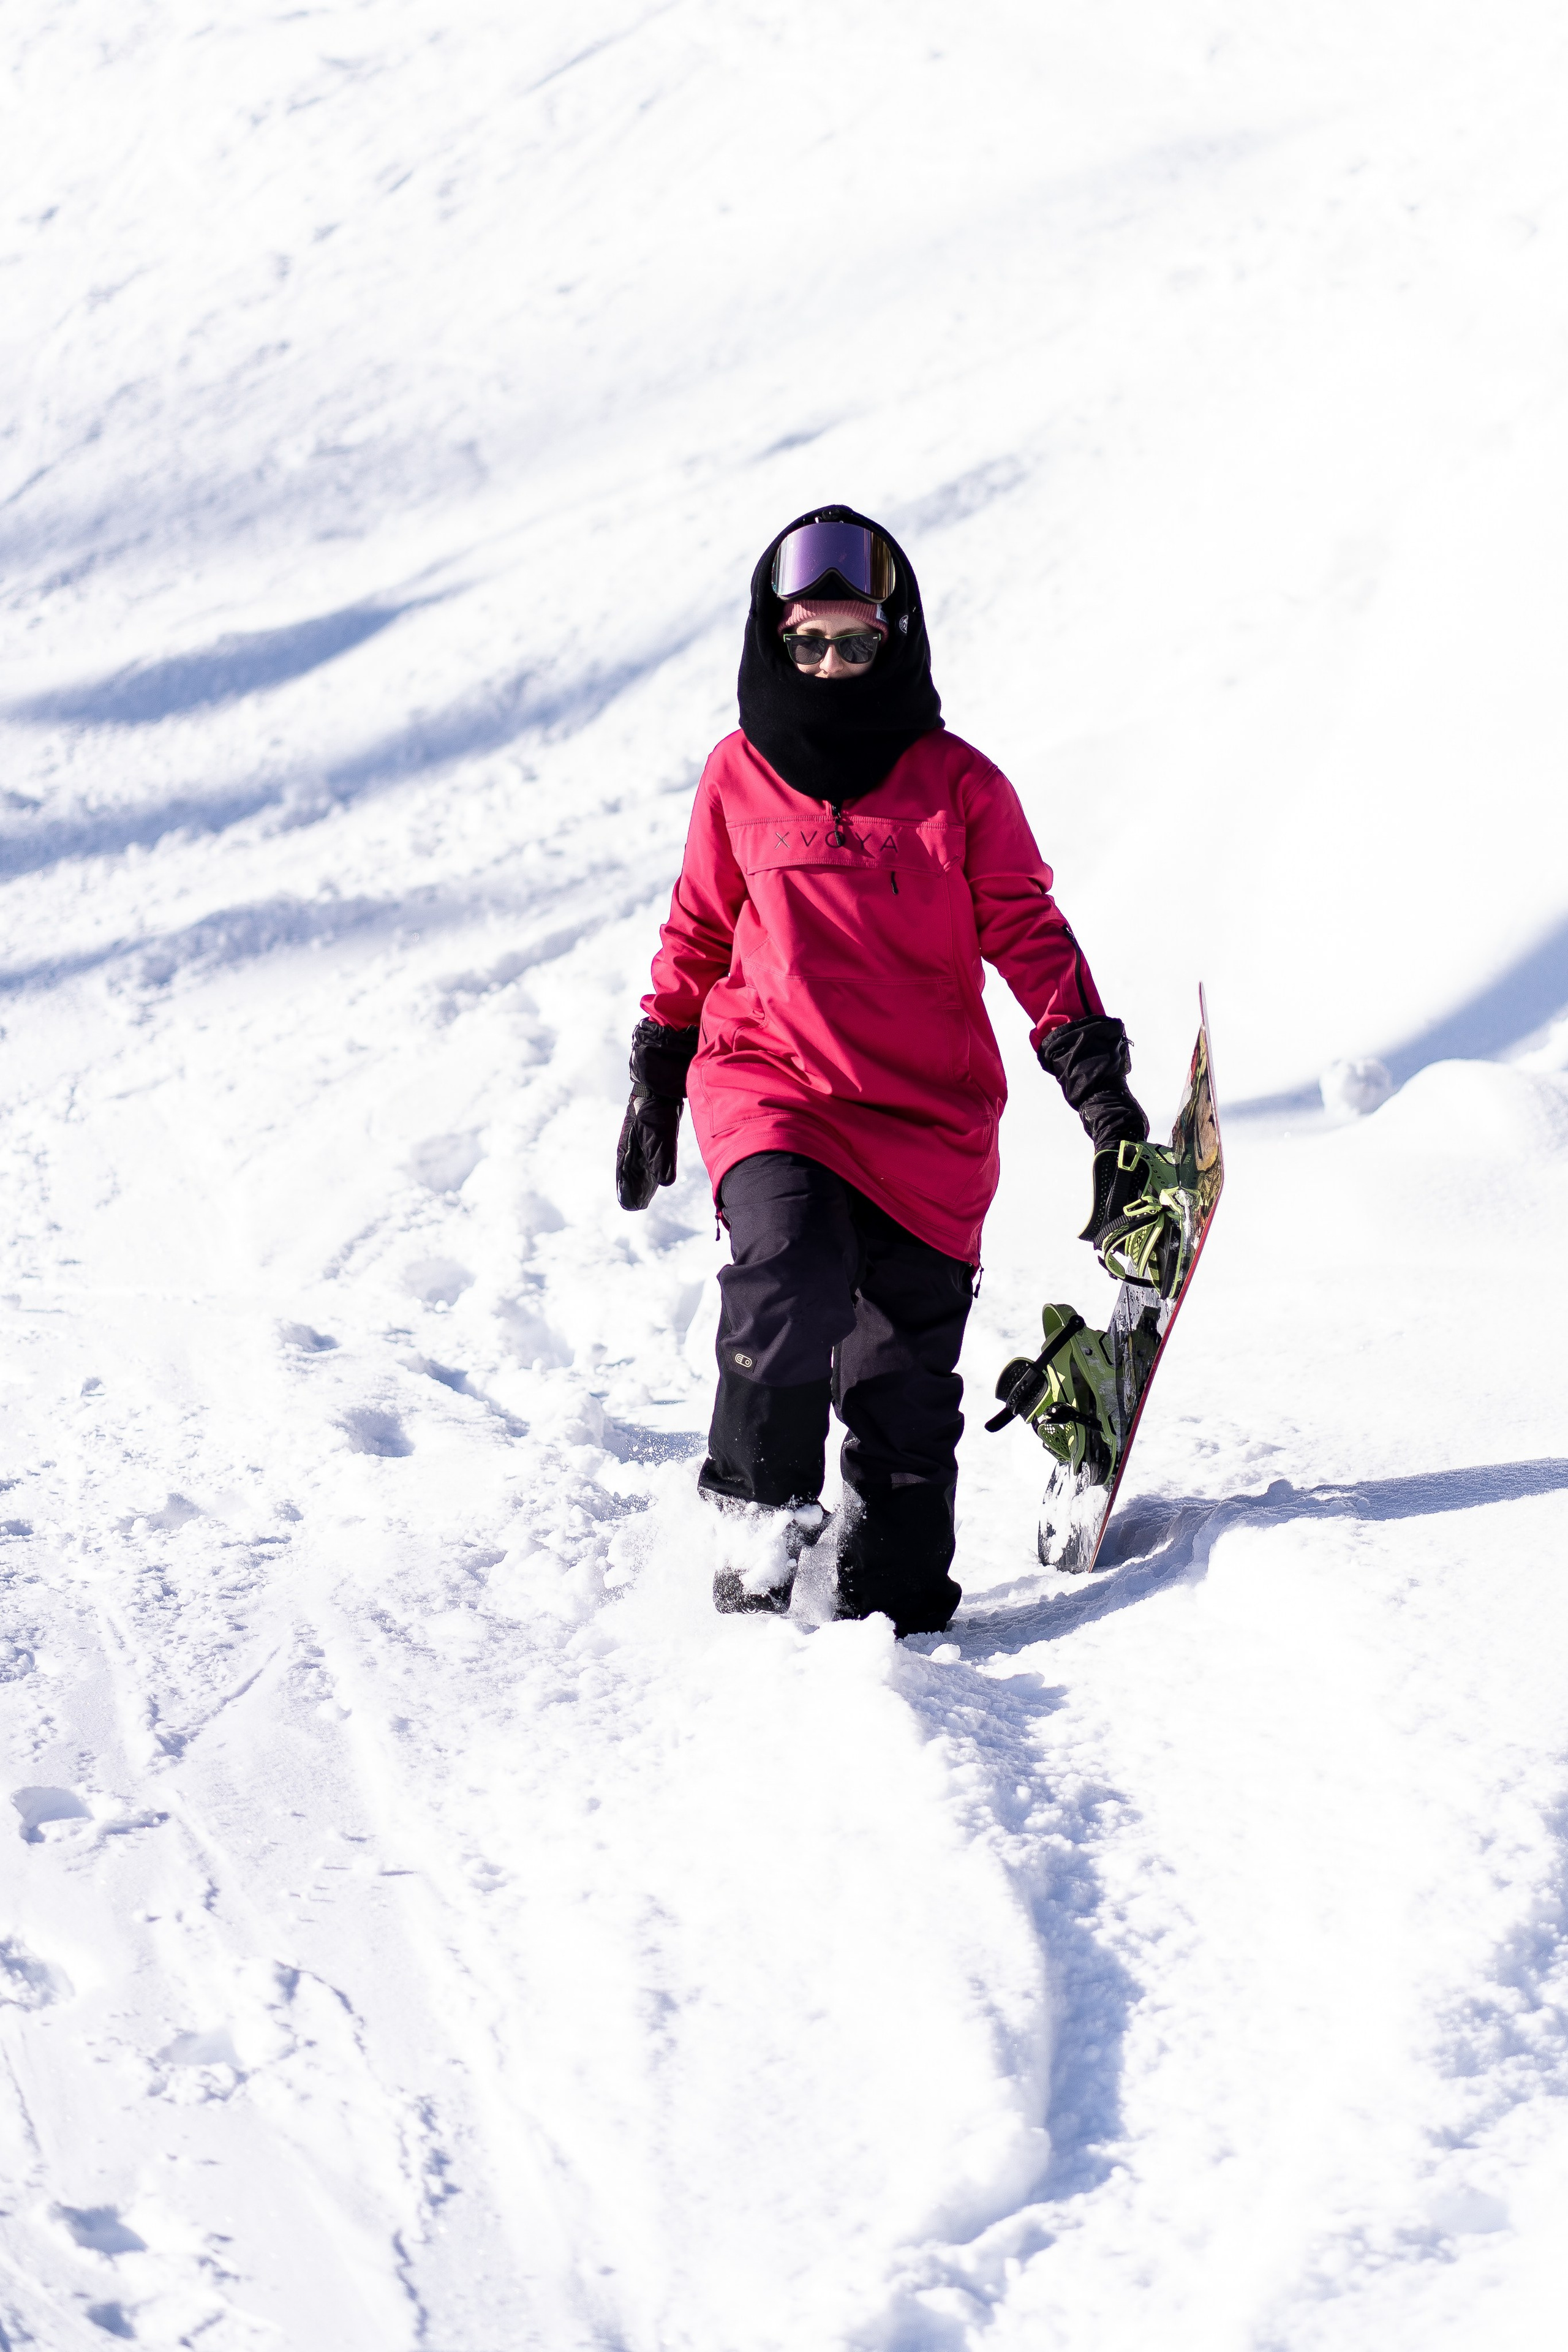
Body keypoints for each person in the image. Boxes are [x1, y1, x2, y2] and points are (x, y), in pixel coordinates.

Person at [615, 505, 1148, 1635]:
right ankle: (755, 1552)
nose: (831, 666)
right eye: (808, 643)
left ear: (895, 640)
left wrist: (1097, 1090)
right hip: (778, 1086)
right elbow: (699, 931)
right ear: (774, 641)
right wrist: (659, 1066)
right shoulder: (737, 776)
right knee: (789, 1270)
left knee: (904, 1447)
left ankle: (882, 1602)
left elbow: (1028, 931)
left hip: (928, 1124)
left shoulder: (959, 784)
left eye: (856, 643)